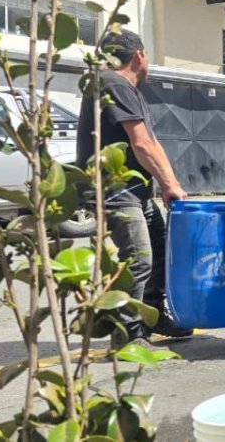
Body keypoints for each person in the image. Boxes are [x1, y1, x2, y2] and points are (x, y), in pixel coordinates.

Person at [76, 29, 191, 349]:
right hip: (116, 190)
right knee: (139, 257)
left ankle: (152, 314)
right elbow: (141, 143)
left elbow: (149, 143)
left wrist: (166, 184)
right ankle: (127, 333)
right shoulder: (113, 82)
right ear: (139, 56)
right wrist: (172, 184)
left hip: (136, 191)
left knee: (158, 248)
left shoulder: (123, 87)